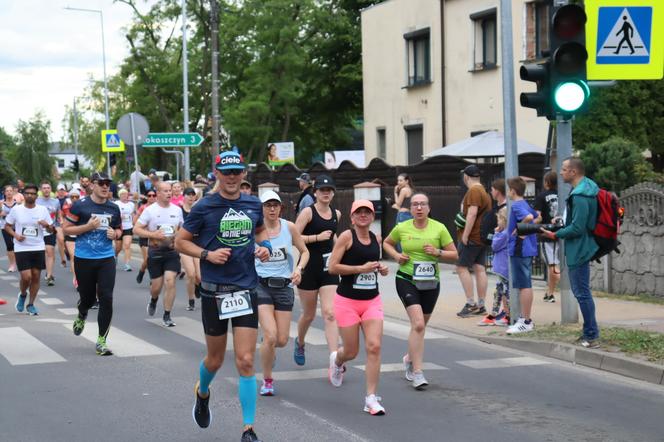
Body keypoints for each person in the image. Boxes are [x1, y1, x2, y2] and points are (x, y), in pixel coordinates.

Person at [175, 150, 270, 442]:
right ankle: (202, 392)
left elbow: (261, 232)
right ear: (217, 173)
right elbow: (180, 241)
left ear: (243, 174)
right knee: (215, 360)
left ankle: (248, 429)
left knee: (244, 360)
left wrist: (263, 247)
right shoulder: (205, 207)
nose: (232, 177)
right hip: (215, 292)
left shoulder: (253, 203)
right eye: (226, 172)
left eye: (237, 172)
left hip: (245, 289)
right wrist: (207, 254)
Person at [383, 192, 457, 389]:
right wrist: (397, 256)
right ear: (411, 208)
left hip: (431, 282)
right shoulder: (402, 227)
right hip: (406, 278)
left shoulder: (439, 228)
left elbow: (454, 254)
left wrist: (438, 252)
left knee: (420, 326)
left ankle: (409, 358)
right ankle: (418, 372)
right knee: (417, 325)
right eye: (415, 204)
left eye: (422, 204)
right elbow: (386, 243)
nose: (418, 208)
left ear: (428, 208)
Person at [328, 200, 389, 414]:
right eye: (359, 212)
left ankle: (371, 398)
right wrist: (359, 269)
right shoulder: (347, 237)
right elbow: (332, 267)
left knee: (374, 346)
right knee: (351, 351)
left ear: (372, 217)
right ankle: (337, 361)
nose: (363, 215)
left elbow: (371, 264)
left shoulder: (376, 238)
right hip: (347, 301)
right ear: (352, 218)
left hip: (372, 300)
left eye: (367, 212)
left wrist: (380, 269)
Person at [541, 157, 600, 348]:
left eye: (564, 169)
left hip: (579, 249)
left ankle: (591, 335)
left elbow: (578, 227)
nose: (561, 172)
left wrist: (556, 233)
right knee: (582, 292)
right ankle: (588, 332)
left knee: (582, 293)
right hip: (580, 247)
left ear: (574, 172)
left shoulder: (581, 195)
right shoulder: (585, 189)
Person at [255, 190, 309, 396]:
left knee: (282, 340)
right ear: (261, 208)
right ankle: (267, 380)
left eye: (275, 205)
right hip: (262, 285)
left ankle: (268, 348)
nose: (271, 209)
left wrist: (298, 270)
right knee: (270, 335)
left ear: (280, 208)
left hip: (285, 286)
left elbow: (305, 251)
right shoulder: (255, 230)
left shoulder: (289, 227)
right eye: (268, 205)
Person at [63, 172, 122, 355]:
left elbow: (120, 229)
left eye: (108, 184)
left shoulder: (113, 208)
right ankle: (82, 313)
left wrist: (116, 234)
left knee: (107, 297)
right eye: (101, 183)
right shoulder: (79, 206)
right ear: (93, 185)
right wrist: (87, 227)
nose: (105, 187)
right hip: (84, 259)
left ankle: (101, 341)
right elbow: (66, 229)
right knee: (88, 299)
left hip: (106, 258)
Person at [294, 174, 341, 365]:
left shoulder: (336, 214)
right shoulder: (308, 212)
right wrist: (316, 238)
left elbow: (334, 238)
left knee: (330, 312)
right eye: (322, 190)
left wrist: (344, 252)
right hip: (308, 267)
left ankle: (334, 358)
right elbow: (293, 237)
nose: (326, 193)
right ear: (315, 193)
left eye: (329, 190)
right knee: (309, 314)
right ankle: (300, 341)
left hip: (328, 269)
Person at [134, 182, 184, 327]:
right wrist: (152, 234)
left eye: (170, 191)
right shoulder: (150, 210)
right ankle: (154, 299)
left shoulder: (177, 209)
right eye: (166, 191)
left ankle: (167, 315)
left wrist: (178, 238)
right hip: (155, 252)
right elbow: (137, 229)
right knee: (156, 287)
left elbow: (182, 228)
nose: (169, 193)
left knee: (170, 281)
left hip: (171, 252)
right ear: (158, 193)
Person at [4, 183, 54, 316]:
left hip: (38, 246)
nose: (30, 195)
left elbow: (52, 229)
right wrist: (16, 235)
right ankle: (22, 294)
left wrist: (47, 225)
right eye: (27, 193)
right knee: (26, 277)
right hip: (21, 247)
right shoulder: (17, 210)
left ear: (36, 196)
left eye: (33, 193)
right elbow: (7, 226)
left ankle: (31, 304)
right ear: (23, 195)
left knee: (36, 276)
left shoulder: (42, 210)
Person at [455, 165, 492, 318]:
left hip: (473, 236)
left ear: (466, 177)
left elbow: (472, 213)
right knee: (479, 268)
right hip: (482, 236)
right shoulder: (484, 191)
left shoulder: (474, 191)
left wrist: (465, 236)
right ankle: (481, 305)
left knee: (461, 268)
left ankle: (471, 304)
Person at [505, 177, 538, 335]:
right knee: (525, 283)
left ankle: (525, 321)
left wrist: (518, 229)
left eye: (508, 189)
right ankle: (524, 319)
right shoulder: (525, 203)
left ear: (512, 190)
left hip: (519, 248)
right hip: (527, 248)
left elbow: (531, 218)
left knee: (524, 284)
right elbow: (537, 216)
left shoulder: (517, 205)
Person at [477, 207, 510, 326]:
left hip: (503, 268)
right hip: (502, 268)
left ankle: (507, 314)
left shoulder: (503, 234)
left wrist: (496, 232)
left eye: (499, 219)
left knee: (505, 292)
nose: (497, 222)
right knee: (500, 291)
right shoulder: (507, 232)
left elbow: (495, 246)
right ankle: (496, 313)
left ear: (504, 219)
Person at [534, 171, 560, 303]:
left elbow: (538, 216)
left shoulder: (541, 196)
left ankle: (556, 291)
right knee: (554, 263)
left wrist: (530, 225)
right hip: (561, 232)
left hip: (546, 233)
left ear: (546, 182)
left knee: (552, 265)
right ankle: (549, 292)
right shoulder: (562, 195)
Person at [36, 181, 62, 286]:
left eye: (48, 188)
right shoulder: (37, 201)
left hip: (50, 230)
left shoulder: (55, 202)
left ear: (50, 189)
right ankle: (39, 273)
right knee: (41, 254)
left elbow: (58, 215)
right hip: (38, 231)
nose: (46, 189)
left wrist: (60, 224)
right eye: (44, 188)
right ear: (41, 190)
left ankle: (49, 276)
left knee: (50, 252)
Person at [180, 187, 200, 311]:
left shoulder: (198, 210)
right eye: (189, 195)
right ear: (184, 196)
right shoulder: (179, 211)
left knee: (199, 276)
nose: (191, 197)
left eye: (193, 195)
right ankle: (191, 300)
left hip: (197, 244)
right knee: (191, 274)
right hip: (185, 245)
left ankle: (197, 286)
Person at [135, 190, 156, 284]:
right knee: (148, 258)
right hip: (144, 236)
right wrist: (144, 225)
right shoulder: (143, 207)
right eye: (149, 195)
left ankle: (145, 272)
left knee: (154, 258)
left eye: (153, 195)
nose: (151, 197)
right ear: (146, 197)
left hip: (156, 236)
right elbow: (134, 222)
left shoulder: (159, 208)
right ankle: (145, 273)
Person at [62, 188, 81, 288]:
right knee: (73, 256)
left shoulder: (83, 206)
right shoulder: (66, 207)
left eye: (76, 196)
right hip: (70, 235)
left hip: (81, 235)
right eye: (72, 196)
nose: (74, 198)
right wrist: (62, 222)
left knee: (80, 257)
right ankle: (76, 278)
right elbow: (61, 216)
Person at [114, 188, 136, 272]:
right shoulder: (116, 204)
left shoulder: (131, 204)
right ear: (119, 196)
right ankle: (115, 255)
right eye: (122, 194)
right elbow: (113, 215)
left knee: (127, 245)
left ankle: (127, 264)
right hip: (118, 227)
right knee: (118, 247)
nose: (124, 196)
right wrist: (119, 217)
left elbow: (133, 214)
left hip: (128, 227)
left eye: (126, 194)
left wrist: (134, 223)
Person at [1, 185, 19, 272]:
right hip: (4, 227)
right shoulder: (1, 203)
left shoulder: (18, 204)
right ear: (4, 193)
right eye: (7, 191)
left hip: (16, 227)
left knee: (17, 245)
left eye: (10, 191)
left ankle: (18, 262)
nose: (9, 192)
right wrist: (1, 214)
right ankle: (12, 264)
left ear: (13, 192)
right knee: (9, 245)